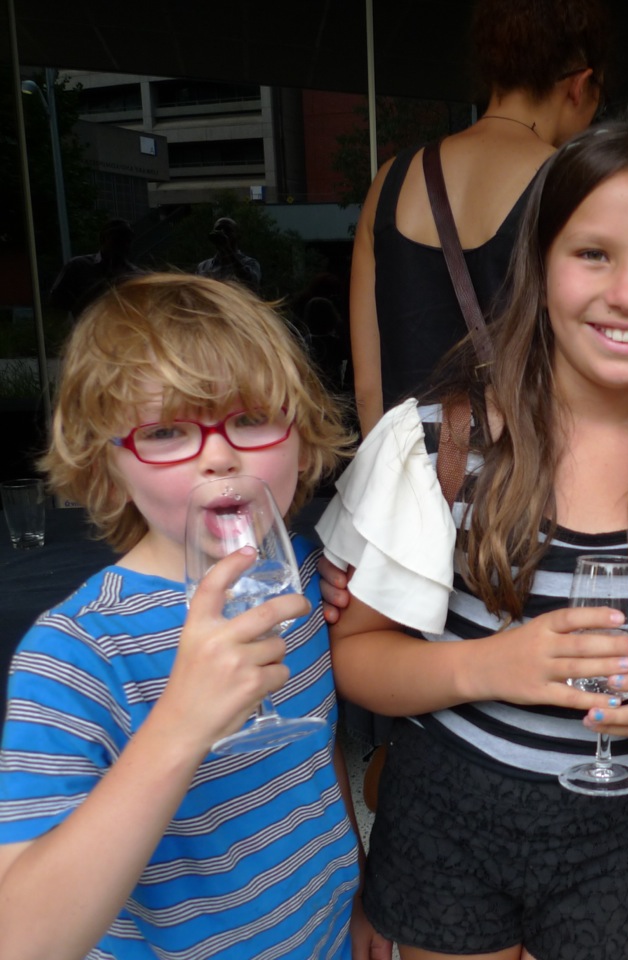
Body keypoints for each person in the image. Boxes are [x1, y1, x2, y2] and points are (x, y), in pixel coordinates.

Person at [316, 126, 628, 960]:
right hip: (447, 830)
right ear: (539, 264)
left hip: (611, 844)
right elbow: (357, 657)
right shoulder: (438, 448)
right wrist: (488, 666)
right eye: (593, 254)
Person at [0, 274, 389, 960]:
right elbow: (23, 938)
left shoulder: (301, 579)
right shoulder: (77, 653)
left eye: (252, 418)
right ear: (109, 463)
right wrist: (180, 723)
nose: (219, 455)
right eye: (166, 431)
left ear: (302, 437)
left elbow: (312, 756)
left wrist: (356, 889)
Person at [349, 0, 610, 436]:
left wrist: (393, 471)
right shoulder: (575, 187)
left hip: (407, 467)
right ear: (580, 85)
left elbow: (368, 389)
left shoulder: (389, 182)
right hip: (525, 469)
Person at [49, 218, 140, 317]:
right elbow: (56, 299)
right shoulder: (77, 266)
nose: (124, 245)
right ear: (103, 239)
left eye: (128, 240)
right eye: (117, 239)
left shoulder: (136, 275)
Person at [196, 216, 263, 292]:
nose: (222, 233)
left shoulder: (250, 263)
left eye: (227, 230)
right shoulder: (203, 267)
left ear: (238, 236)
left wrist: (227, 250)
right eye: (218, 230)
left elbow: (251, 285)